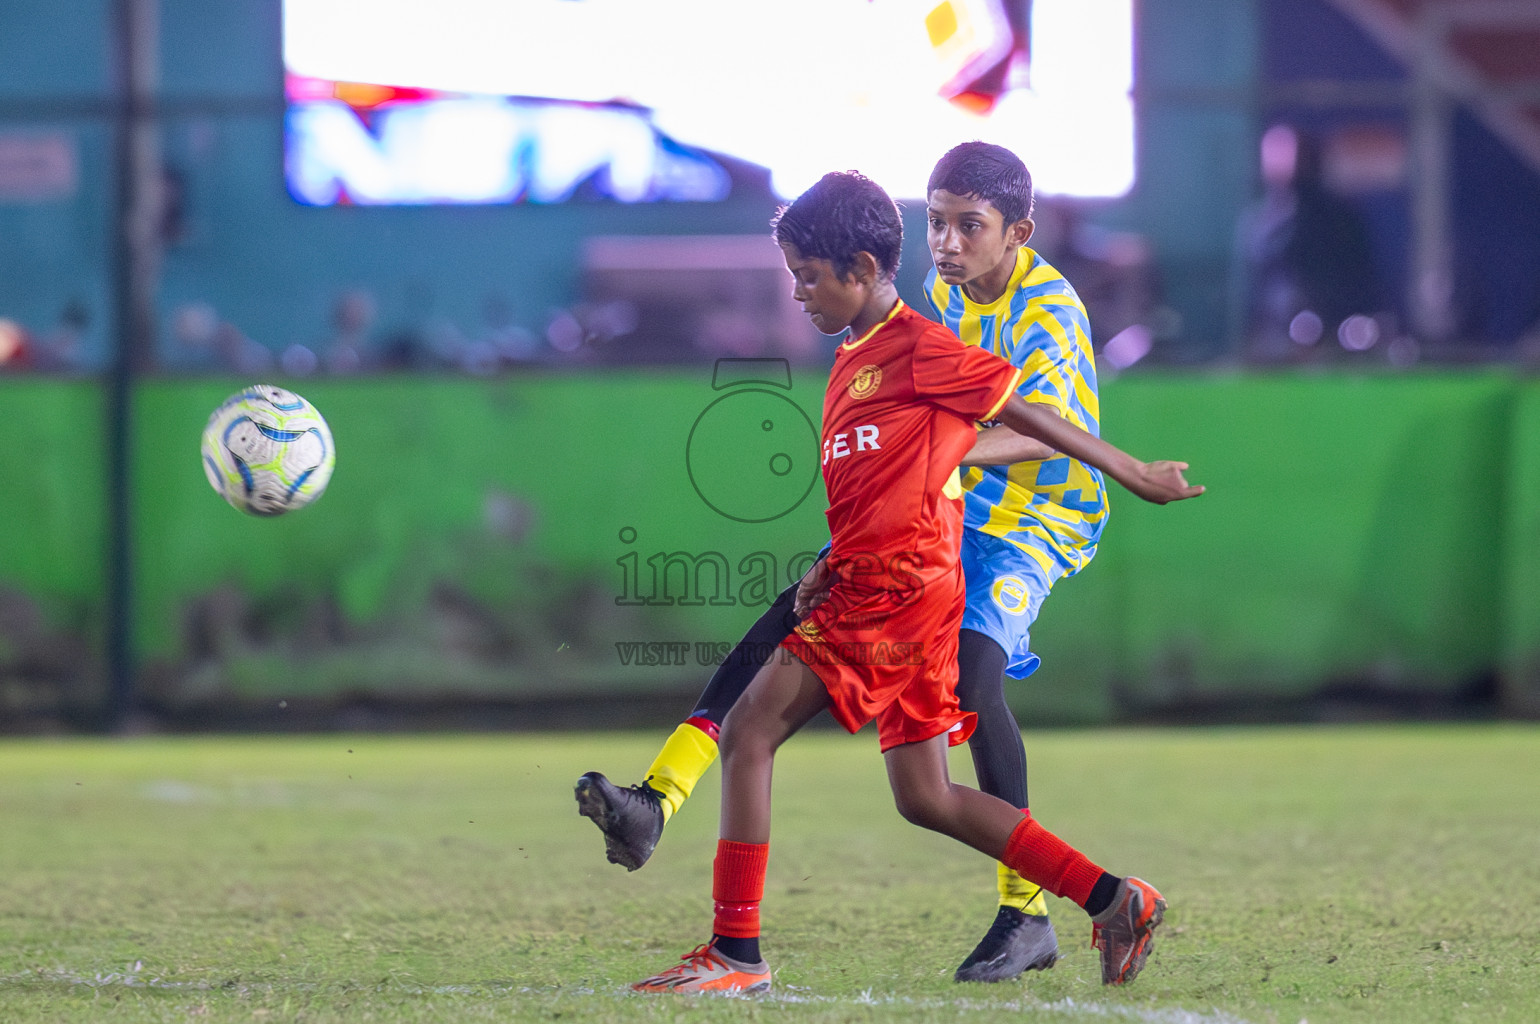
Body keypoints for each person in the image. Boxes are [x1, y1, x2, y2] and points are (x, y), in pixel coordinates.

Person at [620, 170, 1201, 994]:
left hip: (894, 587)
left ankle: (735, 953)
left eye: (808, 276)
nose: (798, 292)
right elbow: (879, 472)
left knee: (751, 732)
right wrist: (831, 557)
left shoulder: (915, 345)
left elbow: (1030, 411)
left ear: (859, 268)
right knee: (925, 795)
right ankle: (1114, 899)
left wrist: (1132, 469)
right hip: (897, 582)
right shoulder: (857, 354)